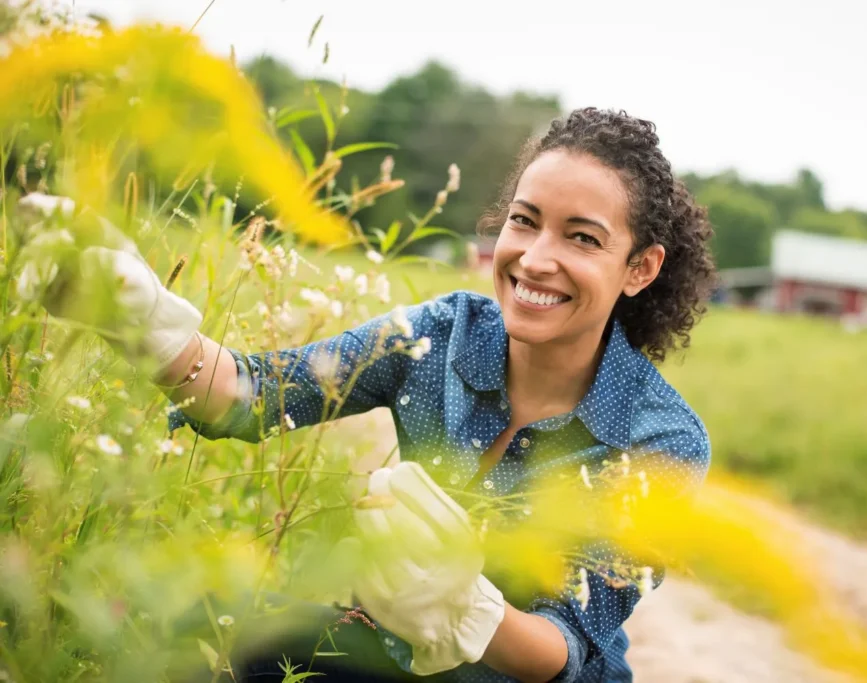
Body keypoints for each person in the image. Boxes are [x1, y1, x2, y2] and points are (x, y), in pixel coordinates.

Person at [20, 107, 714, 682]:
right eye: (524, 221)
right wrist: (142, 321)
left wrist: (466, 609)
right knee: (181, 627)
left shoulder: (660, 440)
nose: (534, 257)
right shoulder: (439, 336)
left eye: (582, 237)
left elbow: (565, 645)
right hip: (385, 654)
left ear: (640, 266)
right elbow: (255, 392)